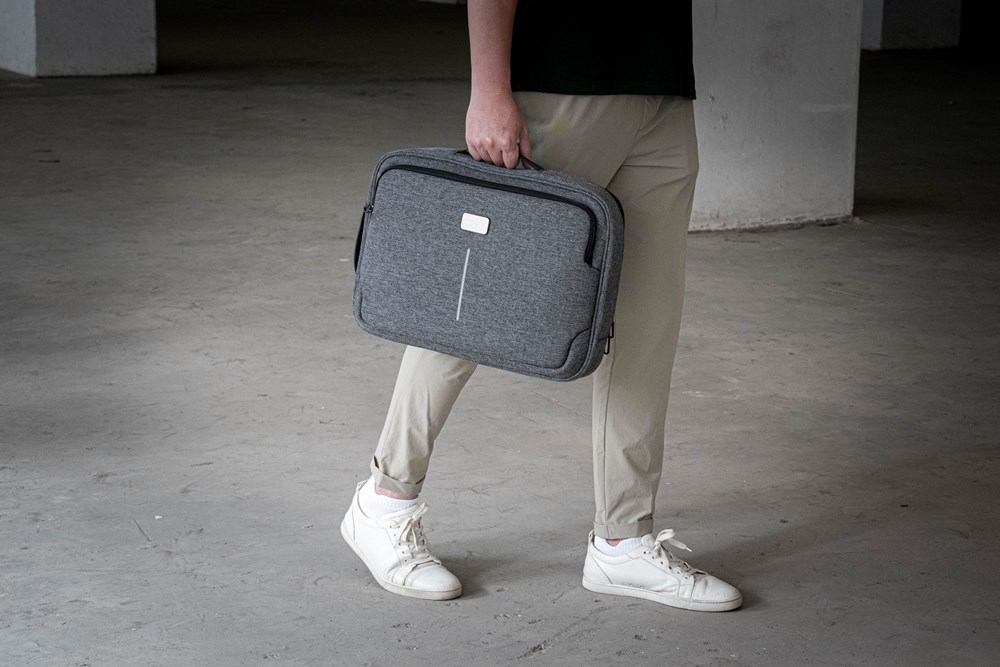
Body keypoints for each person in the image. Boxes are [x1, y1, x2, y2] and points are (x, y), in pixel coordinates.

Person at [340, 0, 742, 612]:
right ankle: (385, 499)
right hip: (560, 85)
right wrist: (489, 89)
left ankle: (622, 540)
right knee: (477, 303)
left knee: (645, 325)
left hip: (661, 87)